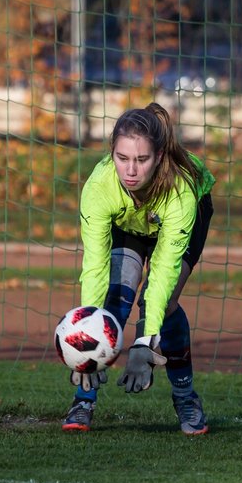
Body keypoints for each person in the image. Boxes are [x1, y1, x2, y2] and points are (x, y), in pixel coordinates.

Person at [62, 103, 216, 435]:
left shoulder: (181, 192)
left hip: (184, 217)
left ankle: (186, 397)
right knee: (113, 300)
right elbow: (94, 267)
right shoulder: (100, 187)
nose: (130, 170)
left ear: (159, 156)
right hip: (129, 224)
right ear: (112, 154)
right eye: (122, 158)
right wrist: (88, 327)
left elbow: (162, 271)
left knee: (162, 303)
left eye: (141, 160)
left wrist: (144, 343)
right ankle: (83, 399)